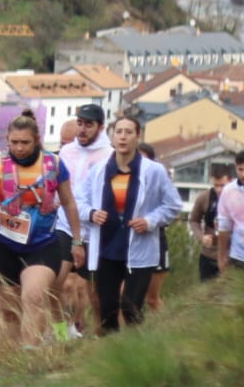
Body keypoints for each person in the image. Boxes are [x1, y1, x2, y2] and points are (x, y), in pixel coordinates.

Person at [0, 112, 86, 347]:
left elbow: (69, 202)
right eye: (14, 142)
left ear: (37, 140)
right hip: (5, 246)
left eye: (25, 142)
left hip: (42, 246)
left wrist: (76, 240)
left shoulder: (53, 164)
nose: (19, 148)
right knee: (9, 311)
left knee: (33, 297)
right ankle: (15, 363)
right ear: (7, 140)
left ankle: (30, 353)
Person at [76, 116, 183, 332]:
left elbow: (173, 205)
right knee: (106, 308)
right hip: (107, 248)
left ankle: (139, 349)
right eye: (119, 132)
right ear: (112, 137)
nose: (123, 137)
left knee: (130, 306)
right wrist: (91, 213)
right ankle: (110, 355)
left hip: (140, 251)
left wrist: (150, 221)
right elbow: (78, 201)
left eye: (129, 132)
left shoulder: (153, 171)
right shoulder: (99, 170)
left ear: (138, 136)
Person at [55, 105, 112, 338]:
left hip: (95, 232)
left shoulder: (110, 155)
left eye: (88, 124)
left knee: (97, 295)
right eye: (80, 123)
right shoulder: (66, 152)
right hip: (66, 226)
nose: (83, 129)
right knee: (54, 284)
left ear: (101, 127)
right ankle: (61, 334)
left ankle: (98, 338)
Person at [139, 143, 173, 312]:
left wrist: (149, 221)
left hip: (155, 241)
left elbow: (170, 213)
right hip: (129, 244)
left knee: (151, 299)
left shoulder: (159, 183)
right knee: (124, 297)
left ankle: (167, 330)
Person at [188, 161, 232, 283]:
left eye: (222, 185)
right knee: (206, 295)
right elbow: (194, 220)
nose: (218, 189)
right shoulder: (204, 197)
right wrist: (201, 237)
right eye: (215, 185)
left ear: (230, 180)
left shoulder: (239, 197)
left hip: (232, 256)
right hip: (208, 255)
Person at [211, 150, 244, 276]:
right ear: (235, 168)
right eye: (240, 169)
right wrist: (221, 256)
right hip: (238, 255)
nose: (243, 174)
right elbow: (224, 226)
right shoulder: (228, 191)